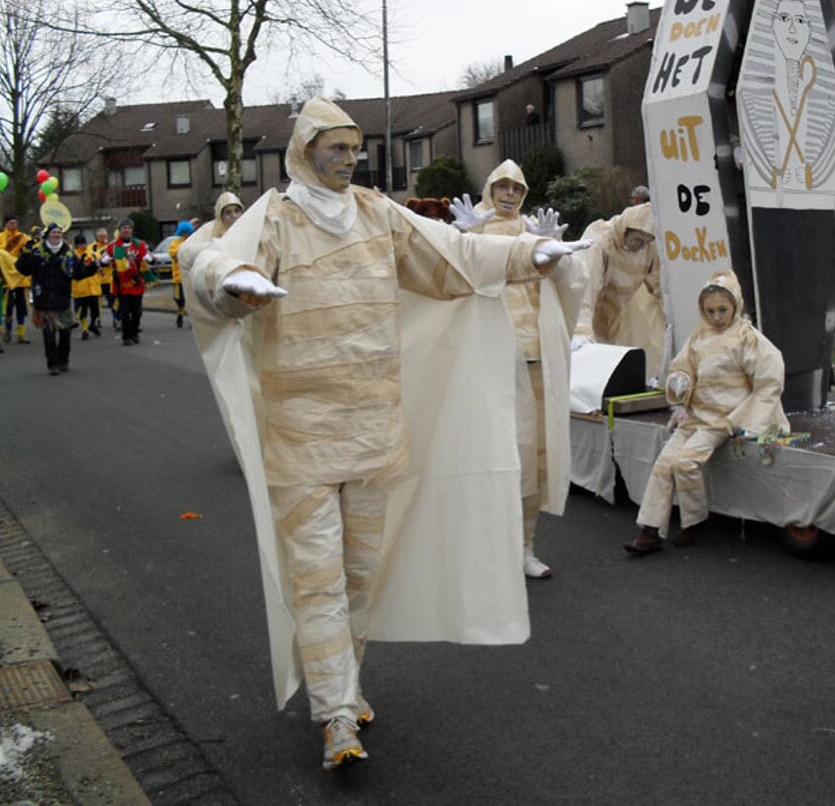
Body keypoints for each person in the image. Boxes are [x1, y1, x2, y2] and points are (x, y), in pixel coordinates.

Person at [185, 97, 588, 770]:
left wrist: (529, 252)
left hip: (374, 435)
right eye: (335, 148)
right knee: (317, 580)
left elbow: (452, 255)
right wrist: (235, 283)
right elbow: (209, 265)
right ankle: (336, 715)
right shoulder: (278, 220)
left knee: (359, 577)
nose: (350, 158)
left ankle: (345, 683)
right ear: (304, 150)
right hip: (303, 438)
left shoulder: (377, 214)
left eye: (354, 148)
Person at [449, 160, 588, 580]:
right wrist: (464, 239)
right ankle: (482, 548)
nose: (509, 194)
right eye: (502, 186)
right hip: (487, 365)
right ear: (490, 188)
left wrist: (555, 255)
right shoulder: (473, 229)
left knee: (531, 460)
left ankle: (525, 547)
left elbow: (572, 286)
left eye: (517, 188)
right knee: (486, 457)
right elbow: (453, 281)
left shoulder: (534, 232)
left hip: (534, 363)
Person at [624, 271, 787, 554]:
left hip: (722, 419)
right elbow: (683, 365)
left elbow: (769, 376)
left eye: (722, 310)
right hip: (694, 416)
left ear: (736, 304)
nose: (716, 317)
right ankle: (649, 530)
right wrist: (679, 381)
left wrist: (751, 419)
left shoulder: (746, 337)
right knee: (663, 466)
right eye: (709, 310)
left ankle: (693, 521)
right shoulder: (699, 335)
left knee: (685, 462)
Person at [569, 202, 667, 381]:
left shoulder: (648, 247)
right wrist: (580, 329)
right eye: (637, 239)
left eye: (646, 241)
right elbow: (584, 283)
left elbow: (661, 286)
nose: (641, 245)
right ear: (625, 230)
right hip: (591, 307)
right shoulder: (600, 239)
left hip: (618, 312)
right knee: (586, 364)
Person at [14, 223, 99, 375]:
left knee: (65, 333)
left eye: (59, 232)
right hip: (44, 299)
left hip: (62, 298)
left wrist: (92, 267)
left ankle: (64, 360)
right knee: (48, 334)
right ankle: (52, 364)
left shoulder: (68, 252)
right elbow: (23, 270)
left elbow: (78, 273)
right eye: (53, 232)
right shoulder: (37, 251)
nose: (56, 235)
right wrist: (25, 253)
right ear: (47, 235)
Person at [106, 218, 153, 345]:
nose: (126, 230)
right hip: (122, 284)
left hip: (136, 283)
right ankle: (126, 336)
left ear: (131, 230)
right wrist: (104, 261)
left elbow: (146, 257)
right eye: (124, 228)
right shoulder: (113, 246)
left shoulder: (139, 245)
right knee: (125, 312)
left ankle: (135, 332)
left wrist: (149, 259)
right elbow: (105, 257)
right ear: (119, 230)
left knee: (137, 311)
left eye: (128, 228)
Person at [0, 216, 32, 344]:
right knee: (7, 308)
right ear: (6, 224)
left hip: (20, 277)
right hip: (6, 277)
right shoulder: (0, 237)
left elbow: (29, 251)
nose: (13, 225)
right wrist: (10, 243)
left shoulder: (23, 237)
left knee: (22, 308)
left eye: (15, 223)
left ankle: (21, 334)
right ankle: (8, 331)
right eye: (11, 223)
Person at [70, 234, 103, 340]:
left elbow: (99, 265)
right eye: (79, 244)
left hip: (93, 287)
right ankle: (84, 329)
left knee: (95, 311)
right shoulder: (73, 255)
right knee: (82, 310)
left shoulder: (92, 254)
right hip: (81, 288)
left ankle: (92, 324)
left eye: (83, 243)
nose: (82, 246)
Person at [166, 220, 194, 328]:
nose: (186, 234)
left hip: (190, 277)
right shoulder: (175, 243)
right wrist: (184, 249)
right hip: (179, 278)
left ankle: (192, 320)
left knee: (191, 300)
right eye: (184, 232)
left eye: (188, 232)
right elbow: (173, 253)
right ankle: (180, 313)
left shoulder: (193, 241)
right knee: (179, 299)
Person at [93, 227, 119, 331]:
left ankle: (116, 319)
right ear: (97, 236)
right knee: (97, 302)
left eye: (105, 236)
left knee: (112, 301)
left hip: (109, 279)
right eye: (101, 236)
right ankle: (98, 320)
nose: (103, 238)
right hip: (98, 279)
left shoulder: (111, 246)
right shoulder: (93, 247)